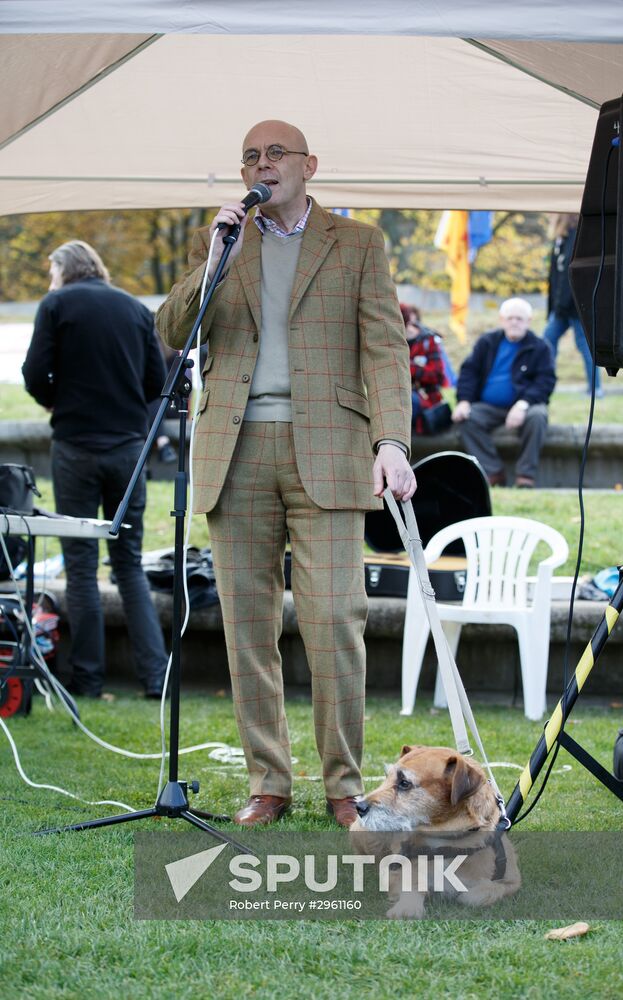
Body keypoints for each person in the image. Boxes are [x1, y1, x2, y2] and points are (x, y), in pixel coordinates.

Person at [156, 119, 415, 828]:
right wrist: (214, 254)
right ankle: (268, 783)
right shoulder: (227, 243)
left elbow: (386, 351)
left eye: (274, 154)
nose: (260, 165)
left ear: (308, 165)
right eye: (249, 156)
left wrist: (391, 440)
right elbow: (171, 330)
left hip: (329, 450)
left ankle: (344, 786)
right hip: (233, 453)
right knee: (247, 627)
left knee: (334, 622)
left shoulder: (357, 243)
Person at [22, 240, 169, 699]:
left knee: (82, 567)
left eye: (52, 272)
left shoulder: (57, 304)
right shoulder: (134, 308)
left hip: (75, 448)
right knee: (128, 566)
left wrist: (57, 399)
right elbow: (155, 383)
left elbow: (33, 371)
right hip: (128, 450)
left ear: (64, 269)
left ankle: (87, 679)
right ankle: (155, 679)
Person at [452, 297, 556, 488]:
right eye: (510, 318)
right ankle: (493, 472)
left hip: (524, 405)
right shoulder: (487, 342)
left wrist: (522, 404)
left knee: (538, 416)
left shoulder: (540, 347)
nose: (514, 322)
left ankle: (526, 475)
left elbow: (545, 381)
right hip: (488, 406)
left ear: (529, 321)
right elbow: (469, 372)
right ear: (502, 320)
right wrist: (464, 400)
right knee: (466, 419)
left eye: (519, 318)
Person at [543, 213, 601, 394]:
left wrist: (562, 305)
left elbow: (572, 277)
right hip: (561, 309)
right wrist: (553, 308)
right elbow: (554, 278)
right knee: (547, 341)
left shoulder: (576, 239)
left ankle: (595, 389)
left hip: (576, 308)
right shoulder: (560, 241)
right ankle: (544, 382)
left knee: (584, 346)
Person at [400, 303, 452, 435]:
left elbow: (437, 376)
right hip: (401, 396)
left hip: (425, 399)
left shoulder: (428, 340)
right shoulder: (391, 341)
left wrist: (407, 367)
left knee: (404, 398)